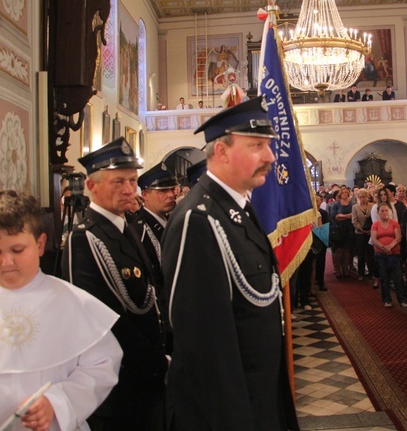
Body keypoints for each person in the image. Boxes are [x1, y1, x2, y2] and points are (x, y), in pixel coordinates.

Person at [0, 190, 122, 430]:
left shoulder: (74, 304)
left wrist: (59, 403)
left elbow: (102, 365)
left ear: (39, 244)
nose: (7, 262)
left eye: (17, 250)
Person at [160, 97, 298, 430]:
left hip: (258, 395)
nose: (269, 156)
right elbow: (201, 347)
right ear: (220, 151)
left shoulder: (236, 208)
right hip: (228, 411)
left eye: (268, 146)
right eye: (256, 146)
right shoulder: (198, 219)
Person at [63, 138, 167, 430]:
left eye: (132, 180)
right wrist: (159, 363)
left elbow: (151, 298)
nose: (128, 190)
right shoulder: (85, 238)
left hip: (147, 381)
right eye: (118, 181)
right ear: (92, 186)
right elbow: (102, 321)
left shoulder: (127, 227)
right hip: (118, 386)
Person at [130, 162, 178, 298]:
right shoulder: (140, 230)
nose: (170, 195)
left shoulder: (171, 220)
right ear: (144, 194)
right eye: (162, 191)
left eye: (171, 189)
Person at [372, 202, 407, 308]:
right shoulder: (375, 224)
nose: (384, 213)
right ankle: (387, 300)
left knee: (398, 278)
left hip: (394, 253)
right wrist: (384, 248)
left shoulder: (394, 223)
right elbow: (374, 239)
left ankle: (402, 300)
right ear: (378, 212)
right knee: (384, 278)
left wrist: (390, 247)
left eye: (386, 210)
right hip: (380, 254)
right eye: (382, 211)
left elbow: (398, 237)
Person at [330, 187, 356, 278]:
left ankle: (345, 269)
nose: (345, 194)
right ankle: (337, 270)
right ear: (340, 194)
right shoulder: (336, 204)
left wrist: (342, 216)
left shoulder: (352, 204)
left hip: (349, 229)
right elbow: (335, 217)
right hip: (339, 229)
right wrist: (347, 216)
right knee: (339, 251)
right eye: (343, 192)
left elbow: (354, 216)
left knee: (347, 251)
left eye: (346, 192)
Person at [352, 188, 374, 281]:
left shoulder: (372, 206)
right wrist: (361, 229)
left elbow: (375, 219)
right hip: (360, 233)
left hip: (371, 233)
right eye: (360, 197)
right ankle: (361, 273)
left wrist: (371, 230)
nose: (362, 199)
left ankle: (371, 273)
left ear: (367, 197)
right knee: (361, 254)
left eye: (364, 197)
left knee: (370, 254)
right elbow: (354, 220)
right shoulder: (355, 207)